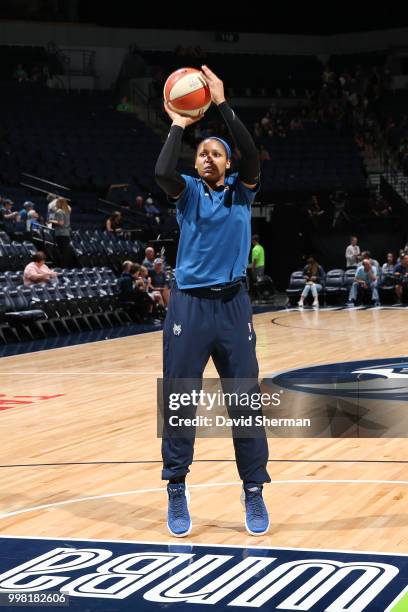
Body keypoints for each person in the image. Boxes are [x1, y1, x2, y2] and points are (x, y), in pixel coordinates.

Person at [155, 65, 270, 538]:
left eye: (215, 152)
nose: (206, 157)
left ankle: (253, 491)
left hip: (233, 306)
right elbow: (163, 170)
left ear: (228, 163)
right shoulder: (188, 195)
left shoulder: (243, 193)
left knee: (245, 402)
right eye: (201, 152)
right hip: (189, 306)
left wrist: (221, 103)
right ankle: (176, 487)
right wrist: (180, 124)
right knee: (182, 401)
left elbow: (253, 156)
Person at [48, 197, 73, 267]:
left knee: (61, 251)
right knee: (65, 251)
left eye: (57, 202)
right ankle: (66, 266)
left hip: (60, 233)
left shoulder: (59, 211)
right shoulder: (67, 211)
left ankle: (61, 267)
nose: (56, 203)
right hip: (66, 233)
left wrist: (51, 221)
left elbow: (61, 223)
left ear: (59, 203)